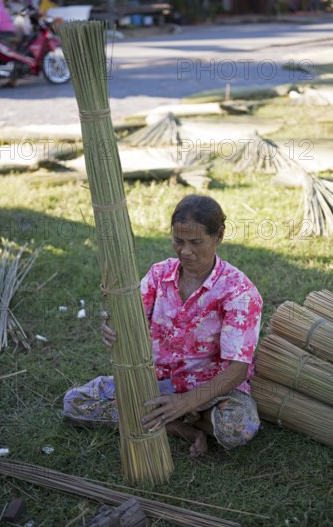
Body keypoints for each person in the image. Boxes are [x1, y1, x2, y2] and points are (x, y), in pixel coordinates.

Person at [63, 195, 263, 458]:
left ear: (219, 236)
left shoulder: (238, 292)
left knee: (240, 427)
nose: (185, 251)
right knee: (75, 403)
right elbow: (129, 318)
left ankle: (180, 415)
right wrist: (113, 325)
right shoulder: (160, 275)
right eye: (178, 241)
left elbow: (238, 369)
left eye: (196, 242)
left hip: (211, 387)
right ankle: (182, 428)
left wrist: (188, 401)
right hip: (156, 384)